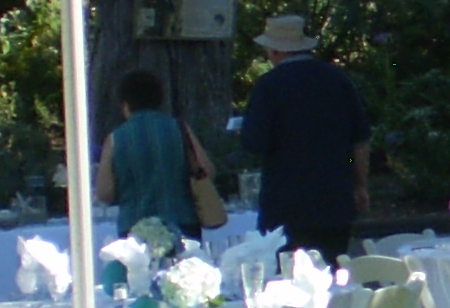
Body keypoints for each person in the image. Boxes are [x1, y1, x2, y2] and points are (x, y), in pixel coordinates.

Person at [237, 14, 372, 259]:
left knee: (286, 280)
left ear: (275, 50)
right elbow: (359, 142)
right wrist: (359, 184)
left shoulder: (269, 86)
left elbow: (254, 143)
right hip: (334, 198)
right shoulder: (337, 79)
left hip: (285, 202)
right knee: (333, 273)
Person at [94, 69, 215, 245]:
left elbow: (105, 193)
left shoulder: (115, 139)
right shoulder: (180, 129)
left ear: (125, 104)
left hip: (134, 228)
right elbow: (207, 171)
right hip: (182, 222)